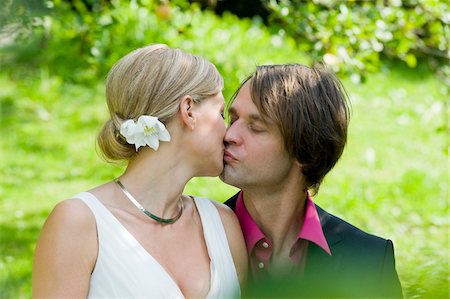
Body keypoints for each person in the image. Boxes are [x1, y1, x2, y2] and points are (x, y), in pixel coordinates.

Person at [32, 44, 247, 298]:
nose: (229, 133)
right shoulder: (79, 222)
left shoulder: (222, 223)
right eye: (221, 114)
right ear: (188, 111)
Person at [221, 64, 403, 298]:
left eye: (256, 127)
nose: (230, 135)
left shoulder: (369, 260)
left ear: (305, 152)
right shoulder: (194, 239)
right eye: (232, 119)